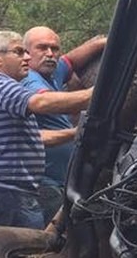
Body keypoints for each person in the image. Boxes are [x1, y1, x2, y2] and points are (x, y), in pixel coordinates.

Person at [0, 30, 93, 228]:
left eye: (26, 52)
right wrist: (96, 94)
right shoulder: (2, 86)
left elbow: (37, 137)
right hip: (5, 193)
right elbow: (41, 102)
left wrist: (76, 132)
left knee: (27, 248)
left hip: (5, 192)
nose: (26, 57)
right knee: (25, 252)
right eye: (18, 52)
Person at [22, 26, 107, 222]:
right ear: (26, 53)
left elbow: (70, 60)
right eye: (42, 48)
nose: (50, 54)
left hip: (62, 181)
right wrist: (99, 92)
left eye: (54, 48)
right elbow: (47, 102)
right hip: (44, 184)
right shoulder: (28, 79)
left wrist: (103, 42)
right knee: (50, 241)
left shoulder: (52, 72)